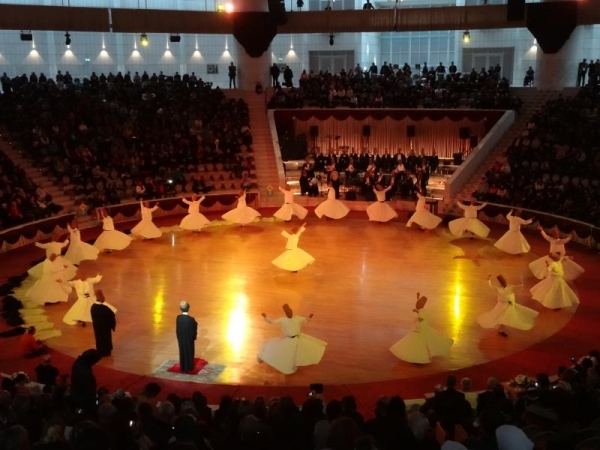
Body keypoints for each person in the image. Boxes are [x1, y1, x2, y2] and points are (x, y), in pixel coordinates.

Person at [258, 304, 327, 374]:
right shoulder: (283, 320)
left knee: (298, 352)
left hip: (297, 338)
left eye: (290, 311)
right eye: (287, 312)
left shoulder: (297, 318)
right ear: (285, 313)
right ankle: (264, 356)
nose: (289, 313)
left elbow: (306, 320)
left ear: (292, 311)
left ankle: (293, 364)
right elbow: (272, 322)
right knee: (287, 354)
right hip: (289, 340)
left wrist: (309, 317)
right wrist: (265, 317)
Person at [389, 292, 453, 364]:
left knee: (416, 343)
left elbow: (421, 317)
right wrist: (418, 298)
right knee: (420, 343)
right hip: (420, 328)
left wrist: (417, 312)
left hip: (419, 329)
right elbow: (420, 308)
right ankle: (419, 355)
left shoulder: (422, 312)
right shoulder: (423, 310)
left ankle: (416, 356)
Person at [71, 348, 102, 414]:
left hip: (76, 394)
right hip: (84, 400)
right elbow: (91, 391)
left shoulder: (78, 363)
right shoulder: (86, 374)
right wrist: (96, 401)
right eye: (96, 362)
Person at [90, 289, 117, 357]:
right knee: (106, 339)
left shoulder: (93, 307)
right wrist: (112, 326)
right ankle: (106, 352)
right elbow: (111, 316)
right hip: (105, 328)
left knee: (99, 338)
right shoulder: (105, 308)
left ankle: (100, 350)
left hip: (97, 327)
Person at [176, 301, 198, 373]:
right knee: (189, 352)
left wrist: (179, 338)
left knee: (182, 351)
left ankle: (183, 366)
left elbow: (177, 330)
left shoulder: (178, 318)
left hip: (181, 339)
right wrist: (193, 337)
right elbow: (193, 329)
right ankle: (189, 367)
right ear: (188, 308)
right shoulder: (191, 319)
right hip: (189, 339)